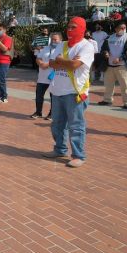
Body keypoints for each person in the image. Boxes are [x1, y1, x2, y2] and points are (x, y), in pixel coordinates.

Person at [43, 17, 94, 168]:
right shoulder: (63, 45)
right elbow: (51, 63)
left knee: (76, 126)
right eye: (68, 27)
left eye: (73, 27)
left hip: (75, 92)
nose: (70, 30)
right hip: (58, 91)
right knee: (57, 124)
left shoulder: (87, 46)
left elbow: (74, 65)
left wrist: (62, 61)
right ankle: (60, 149)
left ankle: (79, 155)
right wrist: (65, 62)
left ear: (82, 29)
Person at [98, 22, 127, 109]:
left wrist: (120, 58)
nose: (123, 29)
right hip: (109, 65)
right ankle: (107, 100)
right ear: (116, 29)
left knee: (125, 85)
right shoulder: (109, 38)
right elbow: (103, 49)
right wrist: (105, 53)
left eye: (124, 28)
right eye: (121, 28)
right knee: (108, 84)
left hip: (122, 66)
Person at [31, 33, 62, 120]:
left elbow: (59, 61)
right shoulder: (45, 48)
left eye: (55, 39)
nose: (53, 41)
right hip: (42, 77)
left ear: (60, 40)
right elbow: (38, 58)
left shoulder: (61, 50)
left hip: (54, 77)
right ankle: (38, 112)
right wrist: (40, 63)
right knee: (39, 95)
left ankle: (52, 114)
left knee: (53, 97)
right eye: (52, 39)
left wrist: (47, 64)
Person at [0, 25, 13, 103]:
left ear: (4, 30)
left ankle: (4, 96)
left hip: (4, 61)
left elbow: (4, 48)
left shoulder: (8, 38)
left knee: (1, 79)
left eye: (0, 29)